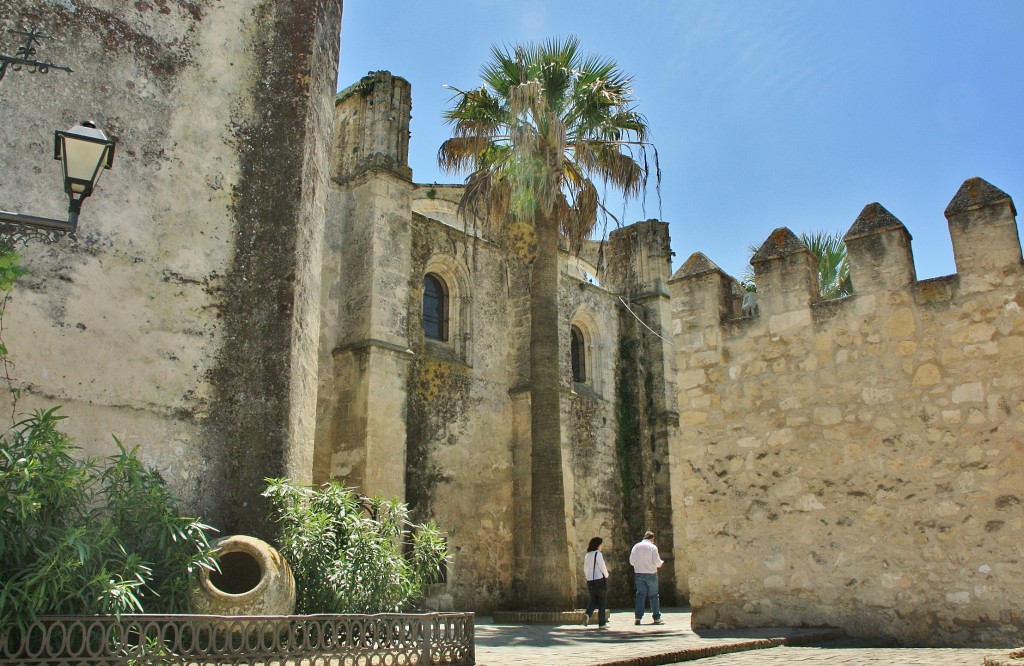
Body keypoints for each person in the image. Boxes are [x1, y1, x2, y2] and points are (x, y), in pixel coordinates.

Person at [629, 530, 664, 625]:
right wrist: (661, 563)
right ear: (652, 539)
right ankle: (656, 617)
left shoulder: (636, 546)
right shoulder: (653, 547)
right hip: (651, 574)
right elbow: (657, 562)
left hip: (639, 574)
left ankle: (638, 617)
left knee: (640, 595)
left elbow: (631, 561)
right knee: (653, 596)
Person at [582, 536, 610, 628]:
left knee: (593, 600)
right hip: (599, 580)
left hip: (590, 581)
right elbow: (602, 566)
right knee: (602, 601)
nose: (602, 546)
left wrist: (587, 577)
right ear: (598, 545)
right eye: (601, 544)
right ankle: (602, 623)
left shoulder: (587, 555)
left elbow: (585, 568)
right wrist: (606, 575)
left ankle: (587, 614)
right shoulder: (598, 554)